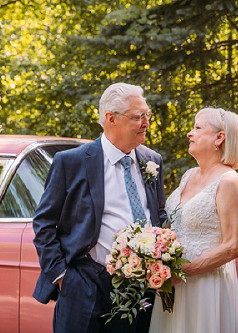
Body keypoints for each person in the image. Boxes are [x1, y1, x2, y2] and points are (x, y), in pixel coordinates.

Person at [32, 83, 167, 333]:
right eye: (138, 116)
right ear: (111, 118)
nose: (146, 122)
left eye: (147, 115)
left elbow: (158, 214)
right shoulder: (71, 162)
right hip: (84, 283)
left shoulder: (153, 161)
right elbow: (44, 223)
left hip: (140, 289)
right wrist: (62, 277)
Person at [149, 107, 238, 333]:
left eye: (198, 127)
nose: (189, 133)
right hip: (172, 285)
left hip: (205, 286)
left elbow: (233, 246)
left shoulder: (229, 181)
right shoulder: (189, 175)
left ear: (219, 138)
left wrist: (182, 273)